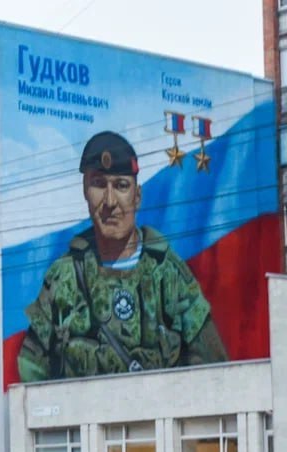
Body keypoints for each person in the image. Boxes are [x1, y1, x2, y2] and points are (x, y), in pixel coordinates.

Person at [17, 131, 228, 382]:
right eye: (98, 184)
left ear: (137, 196)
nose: (109, 201)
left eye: (121, 186)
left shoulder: (169, 275)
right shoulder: (64, 278)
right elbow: (31, 376)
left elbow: (214, 372)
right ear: (85, 192)